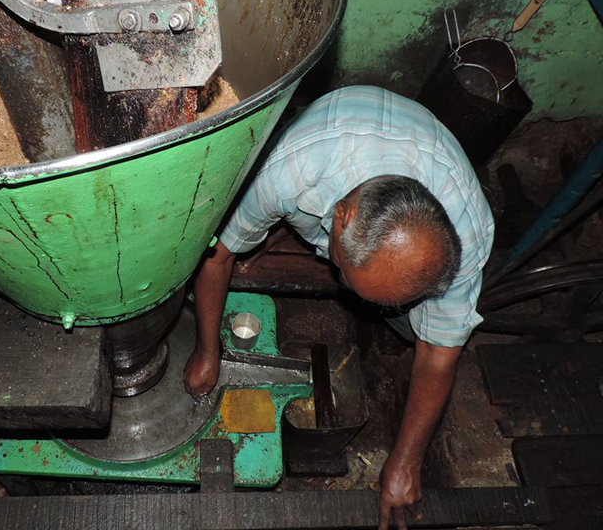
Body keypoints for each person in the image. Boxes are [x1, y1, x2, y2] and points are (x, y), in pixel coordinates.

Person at [183, 85, 494, 530]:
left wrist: (405, 462)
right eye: (351, 281)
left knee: (412, 330)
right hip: (333, 137)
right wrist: (207, 351)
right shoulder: (289, 169)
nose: (357, 303)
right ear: (342, 217)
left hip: (412, 159)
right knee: (244, 229)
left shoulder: (467, 237)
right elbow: (219, 256)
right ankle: (279, 234)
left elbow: (438, 351)